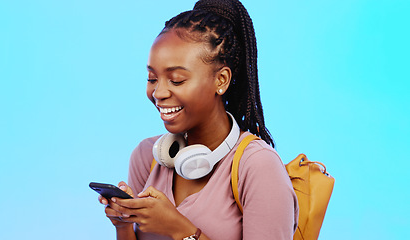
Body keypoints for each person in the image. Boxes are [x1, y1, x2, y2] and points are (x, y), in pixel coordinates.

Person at [98, 0, 298, 239]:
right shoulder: (147, 156)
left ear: (221, 80)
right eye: (152, 78)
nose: (159, 92)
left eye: (177, 80)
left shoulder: (257, 167)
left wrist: (181, 230)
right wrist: (123, 224)